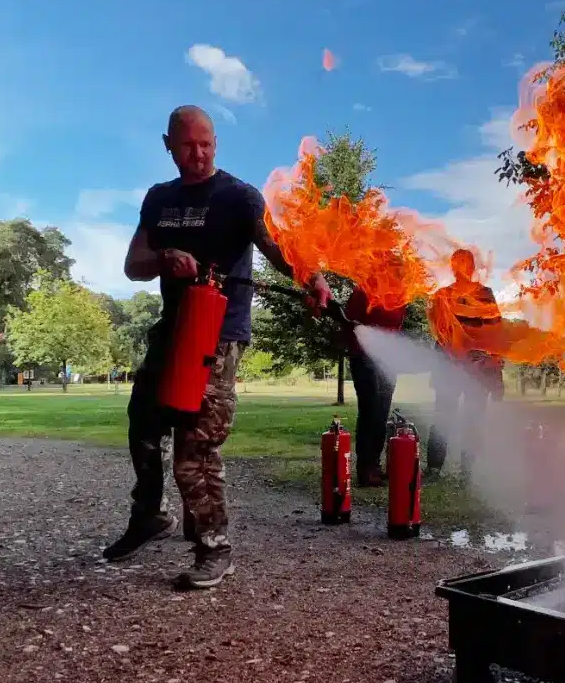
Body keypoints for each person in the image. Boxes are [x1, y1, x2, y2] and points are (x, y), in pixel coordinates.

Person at [103, 105, 330, 590]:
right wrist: (165, 258)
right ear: (168, 145)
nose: (198, 153)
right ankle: (149, 516)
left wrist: (311, 278)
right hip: (172, 328)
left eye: (206, 143)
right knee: (143, 423)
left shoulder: (238, 196)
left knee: (196, 444)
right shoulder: (159, 199)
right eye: (187, 145)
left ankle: (215, 547)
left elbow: (277, 247)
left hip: (218, 333)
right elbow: (133, 264)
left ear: (216, 142)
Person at [427, 249, 505, 476]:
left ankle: (467, 470)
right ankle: (434, 467)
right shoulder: (442, 295)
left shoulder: (485, 294)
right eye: (457, 264)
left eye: (465, 264)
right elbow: (441, 333)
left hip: (477, 369)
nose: (461, 268)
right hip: (448, 365)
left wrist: (494, 362)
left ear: (471, 268)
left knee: (473, 418)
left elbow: (495, 329)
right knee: (443, 416)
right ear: (452, 268)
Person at [343, 280, 407, 487]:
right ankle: (365, 467)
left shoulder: (401, 295)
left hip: (388, 359)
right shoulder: (364, 289)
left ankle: (375, 465)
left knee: (382, 411)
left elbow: (397, 326)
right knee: (370, 408)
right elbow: (348, 320)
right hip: (363, 356)